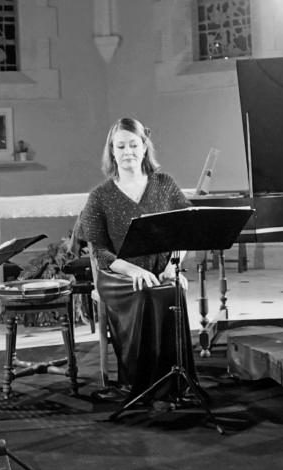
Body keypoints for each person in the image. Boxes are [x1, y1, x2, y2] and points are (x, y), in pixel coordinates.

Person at [80, 117, 194, 403]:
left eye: (133, 145)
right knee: (145, 292)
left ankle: (175, 384)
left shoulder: (165, 184)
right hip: (118, 276)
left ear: (144, 147)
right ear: (112, 151)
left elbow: (187, 230)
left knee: (170, 289)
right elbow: (100, 252)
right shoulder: (100, 196)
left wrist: (173, 267)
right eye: (120, 146)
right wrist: (132, 270)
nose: (127, 151)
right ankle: (139, 385)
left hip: (160, 270)